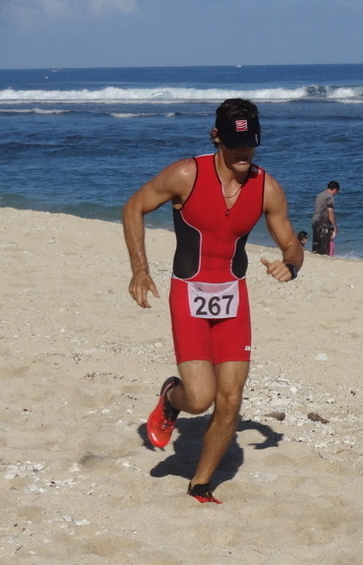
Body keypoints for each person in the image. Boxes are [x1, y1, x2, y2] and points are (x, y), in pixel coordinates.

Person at [122, 98, 304, 504]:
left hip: (233, 296)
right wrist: (140, 269)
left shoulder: (267, 188)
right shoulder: (186, 174)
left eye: (251, 143)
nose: (244, 152)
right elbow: (134, 207)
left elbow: (291, 244)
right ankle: (172, 397)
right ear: (217, 136)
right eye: (236, 144)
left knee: (231, 398)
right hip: (188, 292)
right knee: (199, 397)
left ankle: (200, 483)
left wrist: (291, 265)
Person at [311, 181, 340, 255]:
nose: (336, 194)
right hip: (323, 222)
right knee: (324, 247)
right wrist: (334, 226)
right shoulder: (329, 197)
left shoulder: (320, 195)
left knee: (316, 244)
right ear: (335, 189)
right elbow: (330, 213)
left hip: (315, 220)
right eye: (337, 192)